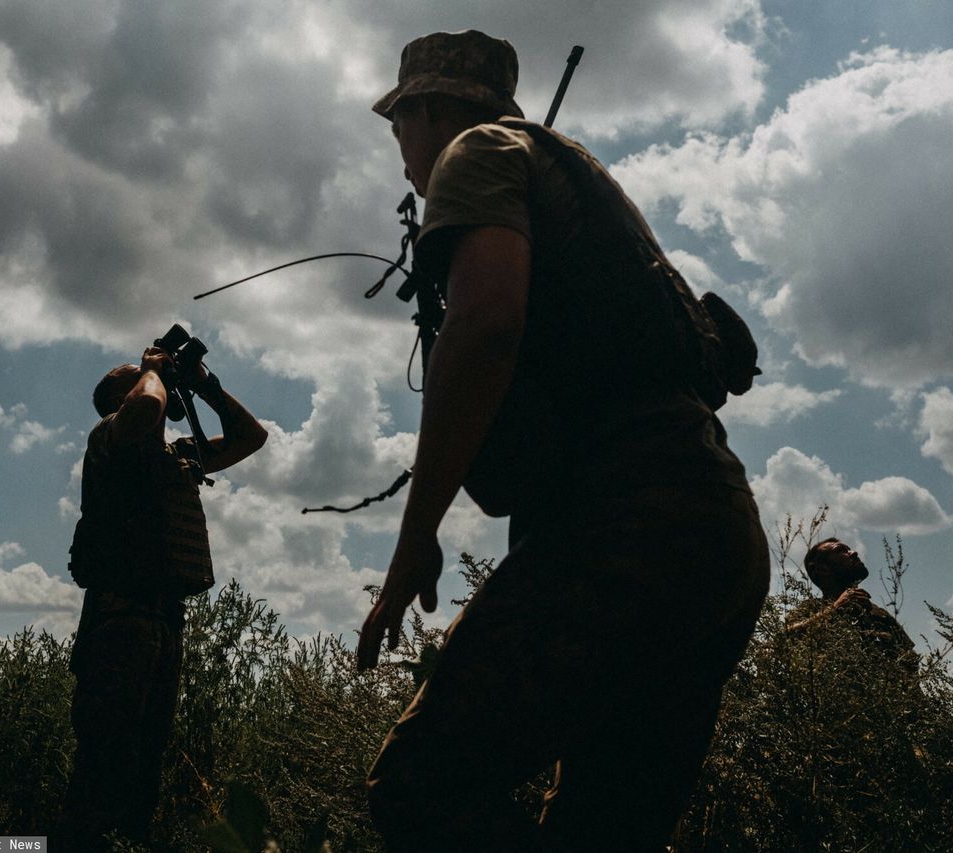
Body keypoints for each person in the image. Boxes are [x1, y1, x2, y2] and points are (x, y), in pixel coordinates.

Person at [356, 30, 769, 852]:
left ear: (430, 108)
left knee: (418, 786)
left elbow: (487, 325)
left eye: (397, 121)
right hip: (717, 532)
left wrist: (417, 536)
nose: (398, 146)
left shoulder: (474, 153)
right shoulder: (579, 180)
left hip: (628, 525)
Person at [57, 345, 267, 850]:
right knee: (104, 767)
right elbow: (146, 410)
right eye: (146, 378)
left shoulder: (180, 454)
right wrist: (150, 372)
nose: (160, 382)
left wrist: (203, 384)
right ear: (120, 398)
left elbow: (251, 437)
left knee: (143, 772)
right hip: (119, 621)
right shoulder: (110, 435)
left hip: (164, 624)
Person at [787, 537, 918, 669]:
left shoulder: (879, 614)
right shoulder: (811, 609)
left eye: (849, 549)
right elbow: (785, 639)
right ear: (822, 569)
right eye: (840, 551)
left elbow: (910, 663)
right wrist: (835, 609)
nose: (854, 552)